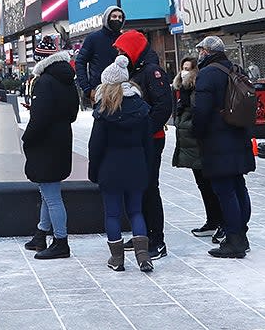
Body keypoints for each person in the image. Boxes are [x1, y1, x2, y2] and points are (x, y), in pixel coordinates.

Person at [88, 55, 153, 273]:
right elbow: (148, 143)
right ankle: (144, 257)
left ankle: (117, 259)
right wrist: (148, 167)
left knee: (113, 214)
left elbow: (95, 146)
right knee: (136, 211)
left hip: (110, 167)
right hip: (136, 165)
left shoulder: (105, 110)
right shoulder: (141, 108)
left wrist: (93, 170)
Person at [193, 36, 255, 259]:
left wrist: (198, 134)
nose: (198, 53)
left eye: (200, 50)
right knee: (239, 186)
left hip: (217, 141)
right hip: (238, 137)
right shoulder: (236, 68)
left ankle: (234, 239)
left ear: (207, 52)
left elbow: (201, 111)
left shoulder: (208, 74)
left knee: (225, 191)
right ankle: (242, 234)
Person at [113, 30, 173, 259]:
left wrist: (144, 130)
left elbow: (163, 107)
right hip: (137, 139)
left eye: (122, 50)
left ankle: (156, 240)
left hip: (150, 140)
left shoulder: (151, 72)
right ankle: (143, 234)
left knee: (149, 189)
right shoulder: (135, 70)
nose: (119, 53)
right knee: (138, 188)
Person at [21, 48, 79, 259]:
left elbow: (39, 118)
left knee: (52, 196)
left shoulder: (44, 82)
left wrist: (26, 138)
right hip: (62, 139)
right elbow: (73, 113)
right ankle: (41, 234)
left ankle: (61, 242)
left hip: (45, 144)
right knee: (47, 191)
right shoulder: (68, 80)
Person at [172, 57, 223, 240]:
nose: (184, 71)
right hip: (190, 145)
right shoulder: (180, 89)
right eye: (183, 68)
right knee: (203, 186)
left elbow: (198, 115)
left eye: (188, 68)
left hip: (199, 143)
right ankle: (212, 221)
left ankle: (219, 221)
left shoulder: (195, 89)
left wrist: (187, 126)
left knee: (210, 186)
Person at [75, 6, 126, 106]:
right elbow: (80, 62)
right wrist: (87, 89)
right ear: (107, 18)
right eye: (114, 16)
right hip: (100, 92)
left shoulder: (124, 39)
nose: (117, 20)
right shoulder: (93, 38)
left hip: (123, 91)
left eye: (120, 17)